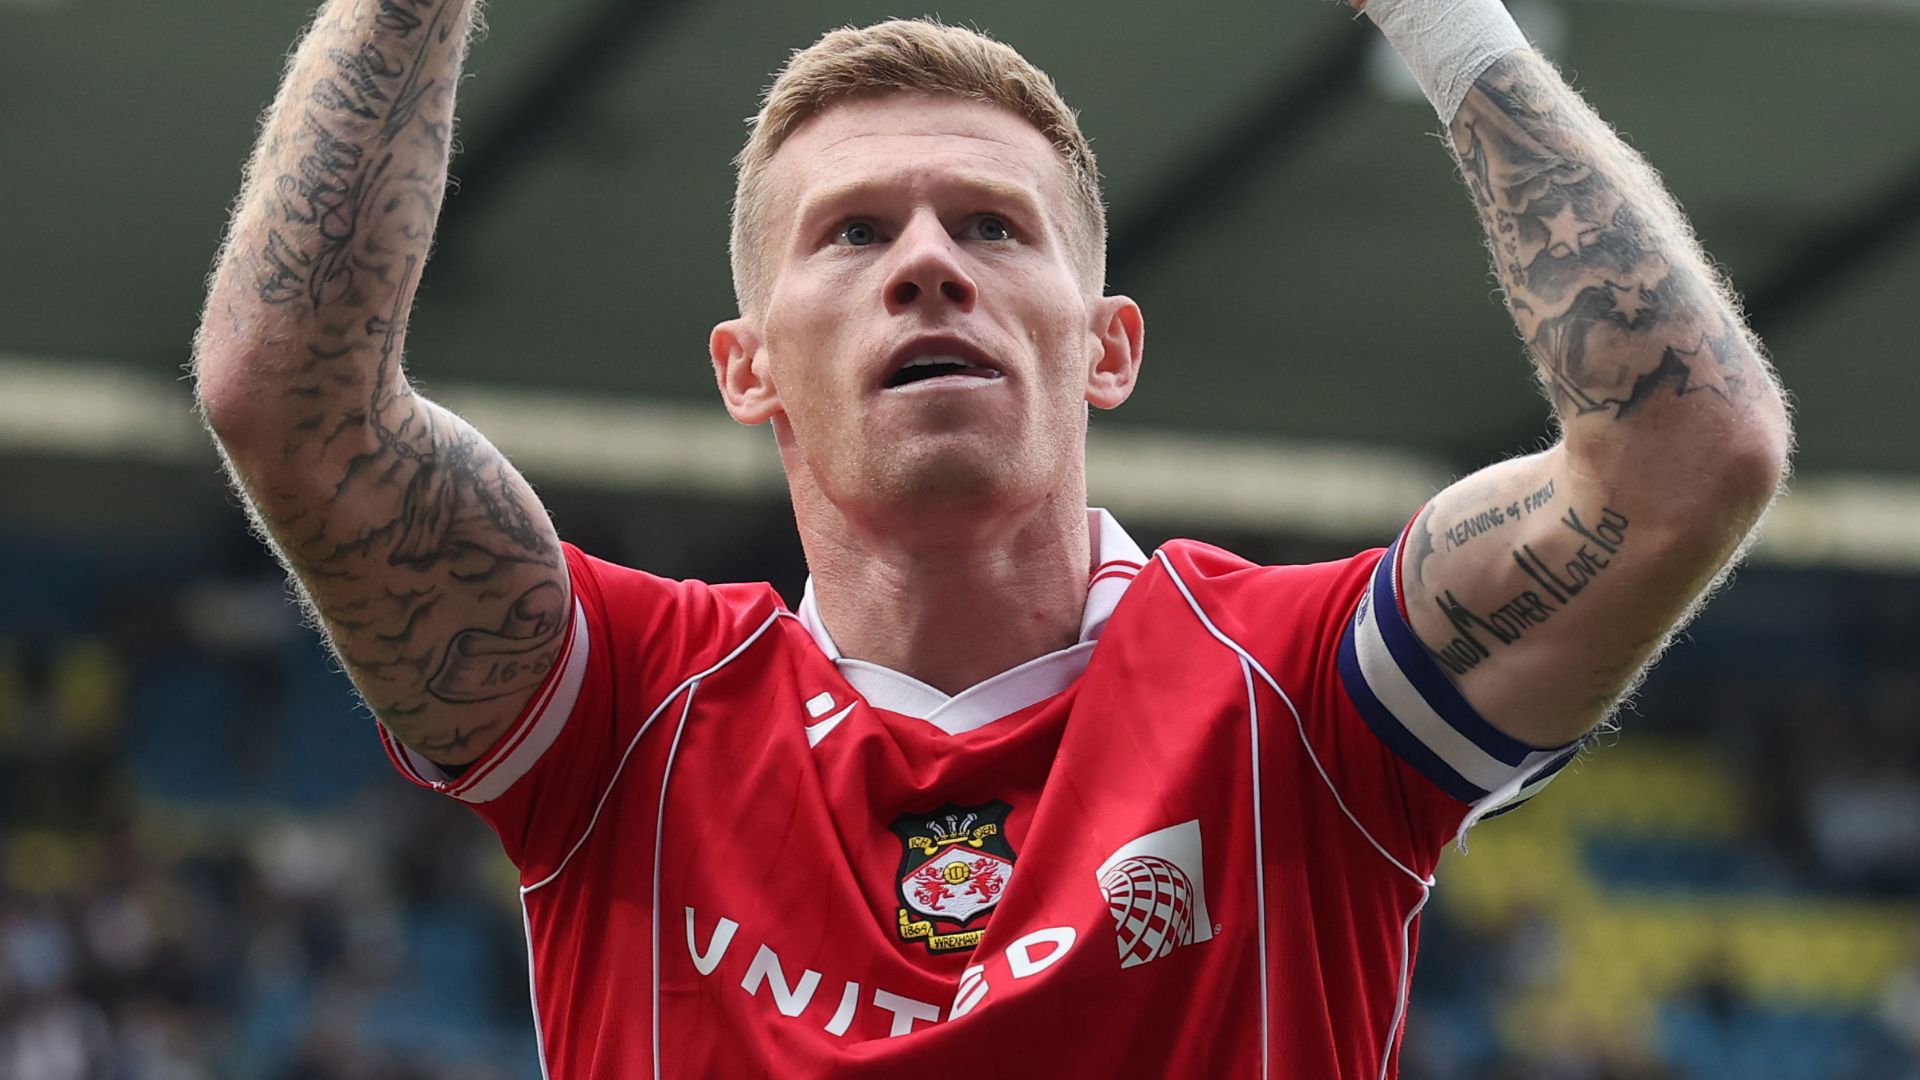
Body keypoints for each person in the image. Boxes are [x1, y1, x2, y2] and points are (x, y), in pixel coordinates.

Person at [191, 0, 1791, 1075]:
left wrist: (1441, 21)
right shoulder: (627, 716)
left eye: (992, 225)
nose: (928, 264)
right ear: (747, 371)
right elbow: (293, 407)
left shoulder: (1298, 697)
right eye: (853, 232)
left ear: (1108, 346)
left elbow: (1686, 457)